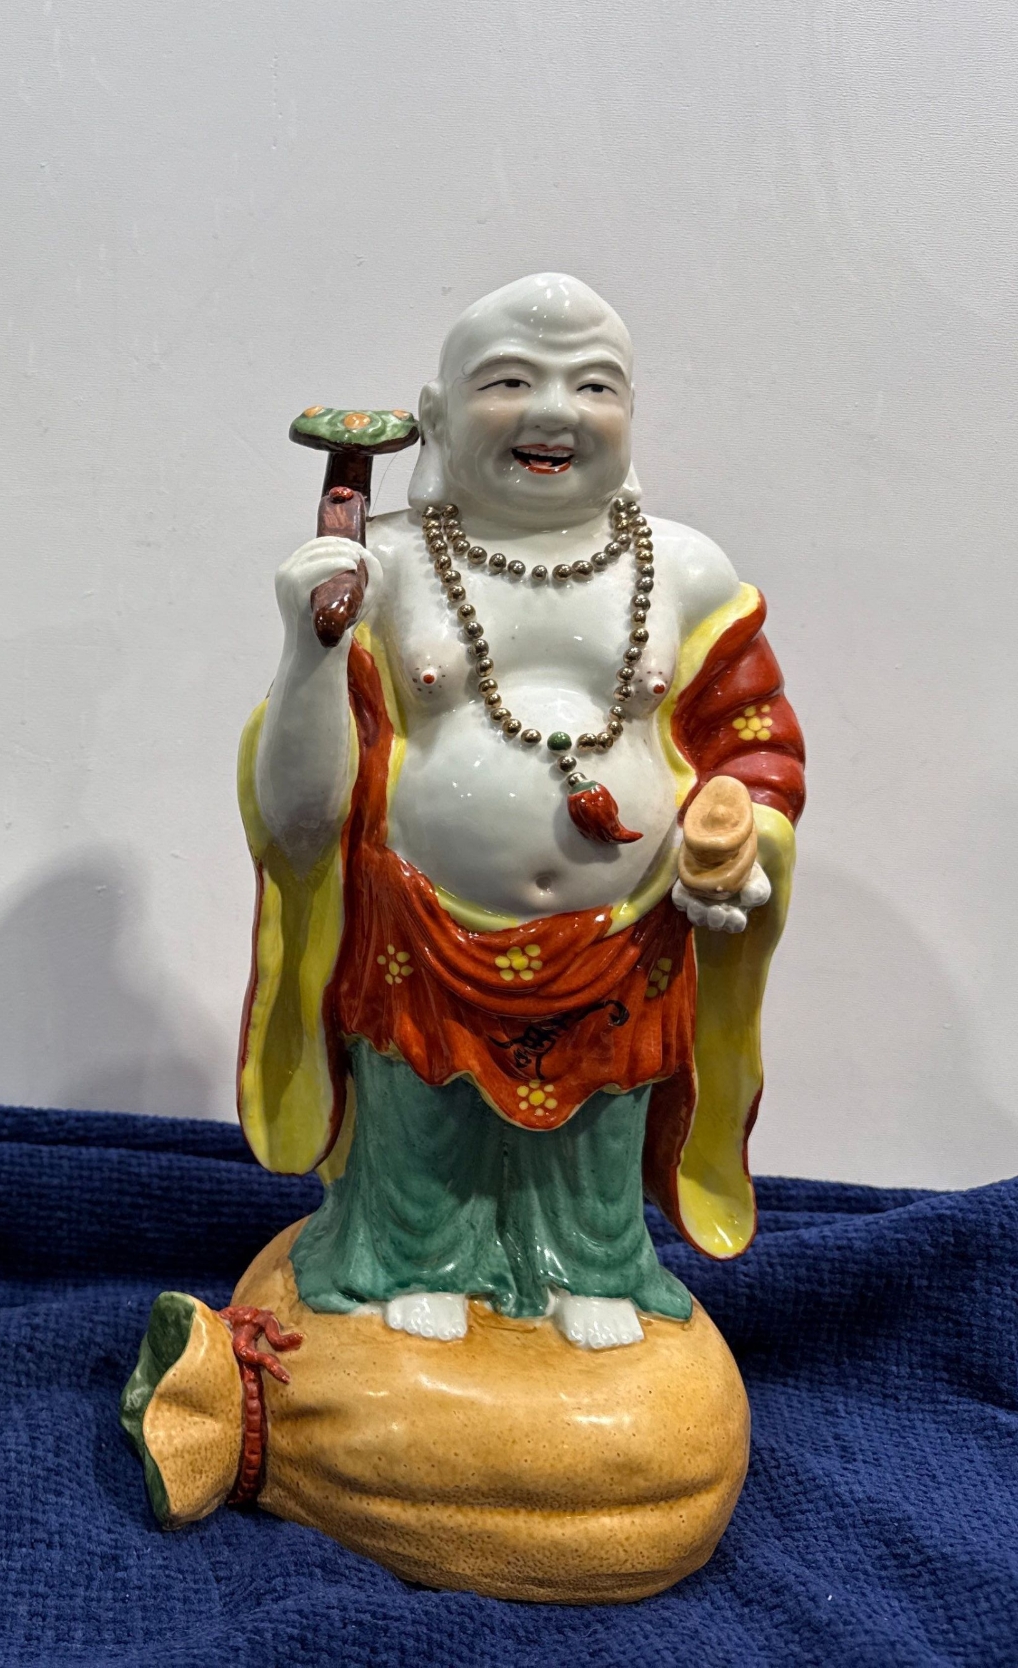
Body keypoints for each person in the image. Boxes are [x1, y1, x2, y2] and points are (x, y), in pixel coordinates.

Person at [240, 273, 805, 1350]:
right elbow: (302, 817)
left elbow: (756, 743)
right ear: (435, 413)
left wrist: (738, 838)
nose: (554, 413)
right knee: (419, 1109)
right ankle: (409, 1252)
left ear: (632, 414)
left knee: (602, 1117)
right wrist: (310, 652)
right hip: (419, 932)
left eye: (594, 385)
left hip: (623, 941)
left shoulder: (686, 571)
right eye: (509, 381)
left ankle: (595, 1260)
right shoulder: (384, 565)